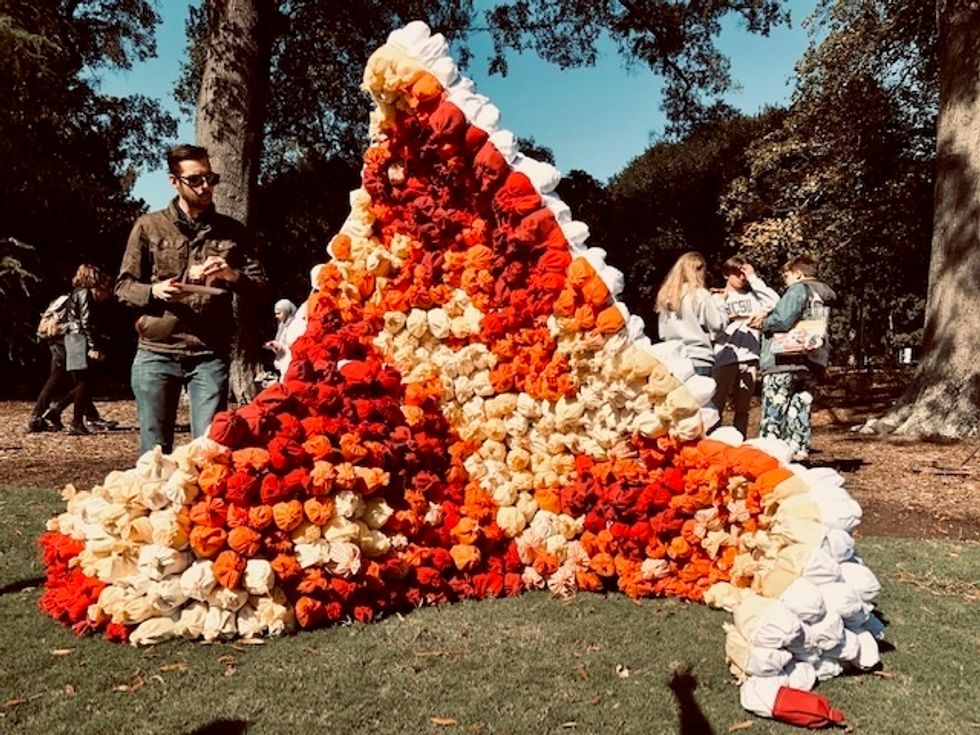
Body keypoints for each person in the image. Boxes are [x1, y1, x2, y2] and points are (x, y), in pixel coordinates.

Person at [116, 143, 265, 455]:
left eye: (210, 178)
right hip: (156, 352)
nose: (205, 186)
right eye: (195, 180)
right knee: (153, 454)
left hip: (209, 354)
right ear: (175, 182)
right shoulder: (148, 226)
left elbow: (261, 287)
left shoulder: (233, 231)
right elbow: (123, 288)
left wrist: (232, 275)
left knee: (211, 451)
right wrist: (153, 292)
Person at [751, 254, 837, 461]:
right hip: (813, 360)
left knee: (775, 405)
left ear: (798, 273)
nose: (785, 279)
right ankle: (798, 451)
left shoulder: (798, 290)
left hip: (785, 360)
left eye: (787, 275)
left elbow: (783, 319)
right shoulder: (825, 294)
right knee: (800, 406)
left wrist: (763, 323)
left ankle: (769, 453)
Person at [28, 266, 116, 433]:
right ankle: (74, 420)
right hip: (77, 339)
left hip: (73, 338)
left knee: (83, 382)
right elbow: (86, 322)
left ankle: (63, 413)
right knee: (84, 382)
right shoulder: (84, 293)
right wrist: (93, 346)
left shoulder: (77, 292)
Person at [711, 256, 780, 437]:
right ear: (726, 274)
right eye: (737, 273)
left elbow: (774, 301)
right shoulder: (716, 298)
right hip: (723, 356)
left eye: (744, 273)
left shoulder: (754, 297)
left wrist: (754, 278)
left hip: (749, 356)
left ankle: (739, 442)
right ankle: (712, 441)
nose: (741, 277)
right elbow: (710, 329)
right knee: (716, 405)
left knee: (743, 408)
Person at [656, 251, 728, 377]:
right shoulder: (700, 294)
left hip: (672, 358)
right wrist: (721, 304)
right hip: (697, 357)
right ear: (698, 270)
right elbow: (718, 325)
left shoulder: (666, 296)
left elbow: (662, 333)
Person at [263, 298, 297, 380]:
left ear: (286, 311)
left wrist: (280, 346)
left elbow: (293, 344)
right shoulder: (282, 326)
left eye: (279, 313)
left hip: (291, 363)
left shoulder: (295, 325)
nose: (276, 316)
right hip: (282, 363)